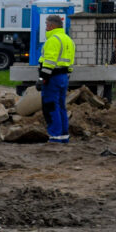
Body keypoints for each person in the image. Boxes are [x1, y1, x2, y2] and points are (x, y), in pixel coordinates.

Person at [39, 14, 75, 143]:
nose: (45, 27)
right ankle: (63, 135)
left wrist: (42, 78)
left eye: (46, 25)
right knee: (61, 106)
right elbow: (70, 62)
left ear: (51, 25)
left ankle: (55, 136)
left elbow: (49, 61)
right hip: (63, 77)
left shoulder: (53, 40)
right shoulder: (68, 40)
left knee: (50, 106)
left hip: (52, 77)